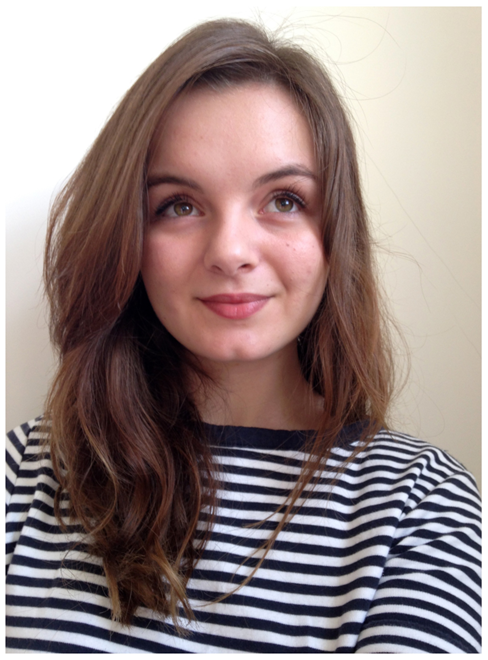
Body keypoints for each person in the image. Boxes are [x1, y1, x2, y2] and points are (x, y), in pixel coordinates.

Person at [6, 18, 481, 654]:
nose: (231, 252)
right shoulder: (25, 472)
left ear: (334, 233)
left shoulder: (426, 509)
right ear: (128, 239)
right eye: (179, 204)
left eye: (284, 200)